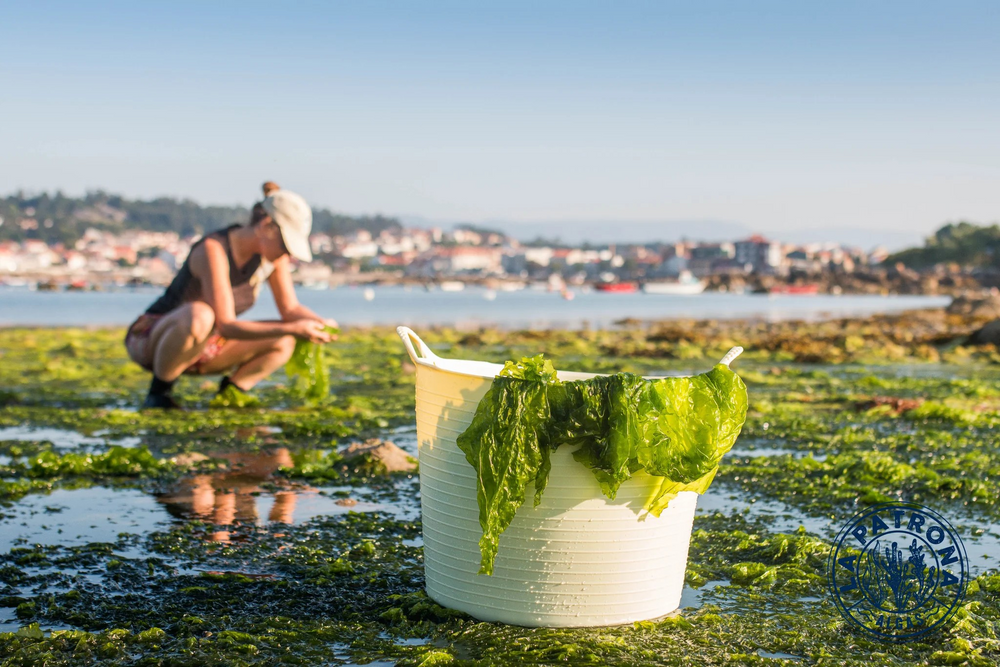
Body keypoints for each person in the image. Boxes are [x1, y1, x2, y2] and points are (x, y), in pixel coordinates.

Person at [125, 182, 336, 409]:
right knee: (201, 314)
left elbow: (291, 310)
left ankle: (232, 393)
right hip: (153, 341)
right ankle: (159, 394)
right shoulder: (213, 249)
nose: (289, 253)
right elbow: (226, 324)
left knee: (285, 339)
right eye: (286, 245)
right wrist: (294, 327)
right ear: (266, 226)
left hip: (209, 345)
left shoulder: (273, 257)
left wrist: (319, 324)